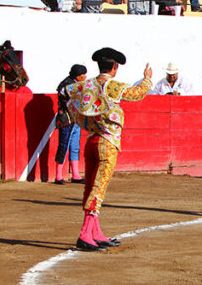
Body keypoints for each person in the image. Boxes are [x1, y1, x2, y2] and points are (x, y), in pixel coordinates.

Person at [65, 47, 152, 250]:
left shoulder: (86, 85)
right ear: (114, 67)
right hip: (107, 144)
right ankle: (85, 234)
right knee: (99, 188)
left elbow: (67, 97)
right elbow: (137, 93)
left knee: (90, 188)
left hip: (91, 140)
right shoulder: (111, 86)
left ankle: (95, 232)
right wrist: (147, 78)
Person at [53, 64, 87, 185]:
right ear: (77, 75)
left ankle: (76, 174)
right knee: (64, 145)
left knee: (74, 146)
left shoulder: (76, 84)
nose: (85, 77)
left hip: (76, 120)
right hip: (66, 120)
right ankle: (58, 175)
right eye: (83, 75)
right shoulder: (65, 85)